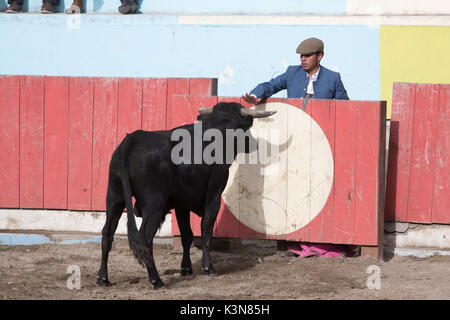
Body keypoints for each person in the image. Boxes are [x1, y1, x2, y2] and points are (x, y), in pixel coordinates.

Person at [242, 37, 349, 104]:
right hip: (295, 127)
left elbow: (345, 108)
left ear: (319, 56)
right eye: (301, 56)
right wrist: (254, 95)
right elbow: (270, 86)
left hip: (321, 130)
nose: (303, 59)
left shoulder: (333, 78)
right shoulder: (292, 72)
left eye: (307, 55)